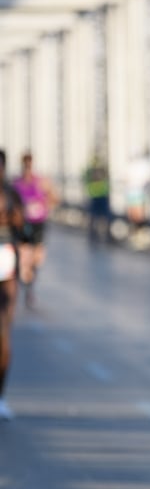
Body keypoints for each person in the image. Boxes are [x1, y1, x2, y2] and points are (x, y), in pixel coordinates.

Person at [13, 151, 58, 308]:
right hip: (25, 224)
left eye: (30, 164)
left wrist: (44, 204)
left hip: (39, 223)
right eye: (25, 164)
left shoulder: (41, 181)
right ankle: (28, 288)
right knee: (25, 256)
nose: (28, 168)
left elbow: (55, 198)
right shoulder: (17, 183)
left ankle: (30, 278)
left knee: (37, 258)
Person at [0, 150, 25, 420]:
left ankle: (1, 395)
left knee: (3, 339)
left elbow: (24, 228)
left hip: (6, 269)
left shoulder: (12, 194)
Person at [84, 156, 111, 244]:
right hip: (101, 194)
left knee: (94, 216)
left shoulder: (90, 170)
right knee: (103, 216)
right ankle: (105, 235)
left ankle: (94, 235)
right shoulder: (102, 169)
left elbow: (85, 180)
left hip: (95, 194)